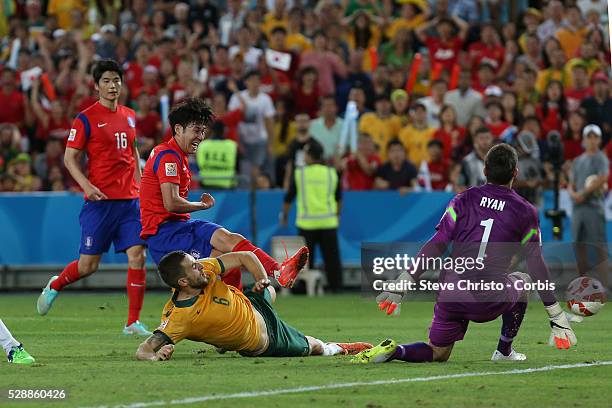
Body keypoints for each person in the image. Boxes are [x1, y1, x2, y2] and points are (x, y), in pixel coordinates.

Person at [354, 143, 578, 365]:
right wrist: (555, 313)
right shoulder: (525, 210)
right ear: (515, 173)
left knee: (438, 352)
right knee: (523, 281)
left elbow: (438, 243)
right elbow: (535, 262)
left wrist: (406, 279)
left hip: (452, 292)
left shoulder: (463, 199)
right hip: (488, 297)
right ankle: (504, 351)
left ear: (485, 171)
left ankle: (397, 352)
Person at [139, 97, 308, 291]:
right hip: (165, 234)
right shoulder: (168, 156)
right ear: (178, 129)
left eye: (203, 131)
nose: (201, 137)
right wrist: (200, 206)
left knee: (230, 245)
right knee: (219, 269)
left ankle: (278, 272)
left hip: (181, 226)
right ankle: (199, 314)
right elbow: (171, 204)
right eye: (196, 130)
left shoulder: (177, 156)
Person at [37, 59, 150, 336]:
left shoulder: (129, 115)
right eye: (107, 81)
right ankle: (56, 284)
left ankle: (132, 323)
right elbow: (69, 158)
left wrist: (141, 181)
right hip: (99, 203)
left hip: (129, 202)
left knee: (138, 255)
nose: (113, 86)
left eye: (116, 81)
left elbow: (133, 152)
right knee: (88, 266)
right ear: (97, 86)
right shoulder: (85, 118)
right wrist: (86, 186)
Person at [135, 251, 372, 360]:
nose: (201, 266)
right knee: (313, 348)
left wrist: (261, 279)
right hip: (264, 339)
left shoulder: (204, 271)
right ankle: (337, 347)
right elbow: (144, 350)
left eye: (196, 262)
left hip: (250, 303)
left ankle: (275, 281)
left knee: (266, 290)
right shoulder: (180, 317)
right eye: (194, 266)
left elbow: (245, 256)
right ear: (183, 282)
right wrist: (157, 355)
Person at [281, 140, 343, 292]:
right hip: (328, 222)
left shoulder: (300, 173)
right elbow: (339, 198)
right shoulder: (331, 173)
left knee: (305, 261)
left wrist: (284, 216)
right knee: (332, 259)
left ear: (309, 155)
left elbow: (289, 197)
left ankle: (302, 288)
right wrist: (336, 215)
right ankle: (336, 287)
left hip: (306, 224)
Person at [568, 124, 609, 288]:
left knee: (599, 246)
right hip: (578, 208)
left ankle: (605, 287)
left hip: (593, 207)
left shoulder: (601, 158)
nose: (592, 140)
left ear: (599, 139)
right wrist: (573, 194)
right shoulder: (578, 161)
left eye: (595, 137)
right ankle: (581, 286)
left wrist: (582, 194)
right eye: (589, 137)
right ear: (584, 140)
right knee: (578, 245)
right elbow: (570, 183)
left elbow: (602, 178)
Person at [456, 127, 494, 191]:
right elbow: (460, 184)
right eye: (481, 138)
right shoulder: (467, 161)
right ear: (475, 140)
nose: (485, 141)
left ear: (492, 138)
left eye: (487, 138)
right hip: (474, 199)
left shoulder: (498, 160)